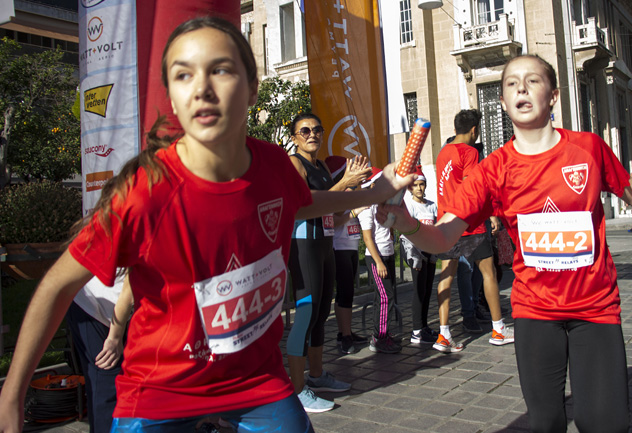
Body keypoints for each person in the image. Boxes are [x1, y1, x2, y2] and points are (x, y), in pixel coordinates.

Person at [0, 16, 412, 433]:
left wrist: (376, 192)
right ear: (174, 99)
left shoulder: (273, 164)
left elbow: (301, 202)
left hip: (257, 384)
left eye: (220, 69)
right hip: (161, 393)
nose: (202, 88)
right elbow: (57, 284)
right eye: (183, 75)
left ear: (252, 87)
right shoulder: (144, 193)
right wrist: (13, 394)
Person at [379, 54, 632, 433]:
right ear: (502, 102)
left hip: (595, 308)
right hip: (535, 311)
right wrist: (406, 224)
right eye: (511, 83)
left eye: (532, 81)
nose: (521, 88)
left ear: (554, 96)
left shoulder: (588, 148)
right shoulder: (493, 169)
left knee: (604, 423)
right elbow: (444, 236)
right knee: (545, 422)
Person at [286, 113, 372, 412]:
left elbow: (333, 215)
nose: (312, 134)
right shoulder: (294, 163)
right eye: (305, 130)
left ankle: (318, 375)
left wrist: (355, 193)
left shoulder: (321, 166)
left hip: (325, 243)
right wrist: (344, 182)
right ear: (295, 136)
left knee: (322, 313)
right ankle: (296, 390)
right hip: (303, 245)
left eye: (316, 129)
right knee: (306, 314)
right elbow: (305, 204)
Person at [432, 109, 515, 353]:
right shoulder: (470, 152)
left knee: (445, 276)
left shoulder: (442, 153)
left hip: (445, 224)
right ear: (474, 130)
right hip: (471, 223)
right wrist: (490, 213)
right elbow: (474, 187)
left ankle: (444, 334)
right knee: (488, 273)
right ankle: (499, 329)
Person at [66, 276, 131, 433]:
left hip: (120, 307)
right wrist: (115, 337)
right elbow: (129, 289)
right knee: (107, 379)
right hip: (94, 305)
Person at [325, 155, 369, 355]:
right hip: (339, 247)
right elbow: (334, 220)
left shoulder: (349, 193)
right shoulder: (335, 195)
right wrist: (355, 211)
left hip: (351, 246)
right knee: (345, 293)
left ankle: (346, 330)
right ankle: (344, 336)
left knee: (348, 291)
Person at [358, 169, 402, 354]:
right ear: (374, 185)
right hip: (377, 258)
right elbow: (367, 239)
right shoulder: (367, 208)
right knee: (386, 297)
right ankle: (379, 338)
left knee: (383, 297)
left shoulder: (382, 205)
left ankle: (383, 333)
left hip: (387, 254)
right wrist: (379, 262)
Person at [400, 166, 440, 345]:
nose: (419, 188)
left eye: (422, 184)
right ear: (410, 188)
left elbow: (436, 229)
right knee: (418, 290)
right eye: (415, 185)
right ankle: (416, 331)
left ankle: (423, 327)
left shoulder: (432, 205)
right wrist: (414, 255)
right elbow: (406, 233)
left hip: (429, 252)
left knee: (426, 290)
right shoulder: (409, 206)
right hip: (415, 252)